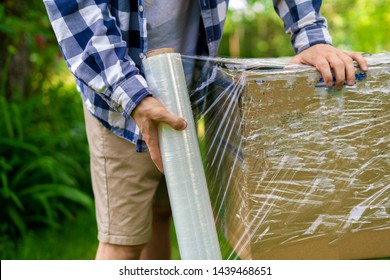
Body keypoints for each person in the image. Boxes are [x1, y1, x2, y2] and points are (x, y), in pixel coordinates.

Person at [43, 0, 368, 260]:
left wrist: (311, 36)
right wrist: (135, 98)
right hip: (120, 100)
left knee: (162, 214)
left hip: (185, 85)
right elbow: (75, 13)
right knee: (123, 243)